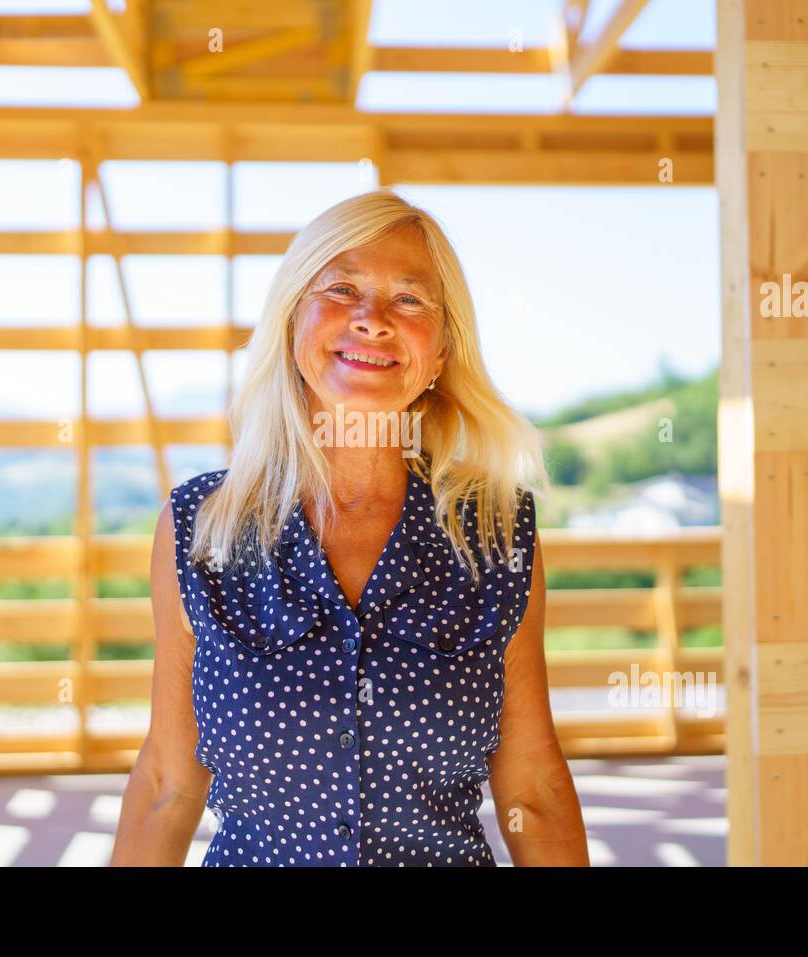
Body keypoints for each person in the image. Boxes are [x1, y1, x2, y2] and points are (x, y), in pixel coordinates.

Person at [112, 187, 588, 866]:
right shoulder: (199, 530)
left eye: (410, 299)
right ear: (291, 321)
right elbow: (165, 780)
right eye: (341, 288)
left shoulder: (497, 535)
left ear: (443, 348)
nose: (372, 319)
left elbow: (534, 785)